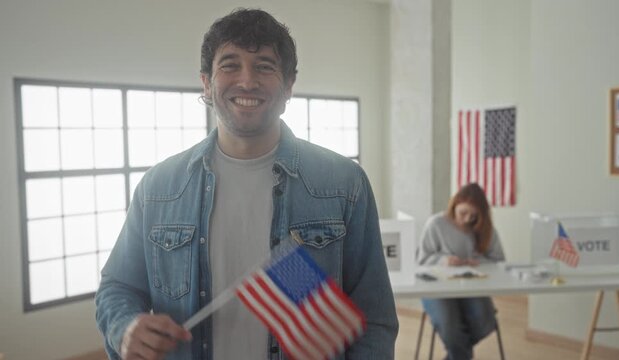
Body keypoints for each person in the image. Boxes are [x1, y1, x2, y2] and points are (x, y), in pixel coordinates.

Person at [95, 8, 398, 360]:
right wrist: (124, 327)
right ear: (206, 83)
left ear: (288, 87)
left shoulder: (343, 183)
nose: (247, 81)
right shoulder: (160, 188)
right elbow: (117, 288)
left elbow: (374, 320)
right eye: (229, 65)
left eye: (265, 66)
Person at [416, 183, 505, 360]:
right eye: (463, 213)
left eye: (473, 216)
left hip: (470, 287)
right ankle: (460, 354)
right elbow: (421, 260)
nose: (467, 219)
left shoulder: (484, 229)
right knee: (451, 328)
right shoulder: (436, 224)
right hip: (436, 288)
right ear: (454, 204)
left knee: (485, 322)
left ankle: (457, 354)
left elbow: (499, 261)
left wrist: (478, 262)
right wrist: (444, 261)